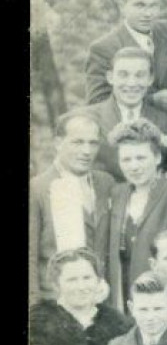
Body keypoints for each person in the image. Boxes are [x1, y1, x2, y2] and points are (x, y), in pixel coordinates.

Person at [103, 119, 167, 300]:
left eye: (141, 158)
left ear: (158, 157)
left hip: (163, 298)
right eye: (126, 159)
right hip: (125, 297)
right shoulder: (117, 194)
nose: (134, 166)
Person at [31, 114, 114, 304]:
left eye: (93, 143)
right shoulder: (38, 188)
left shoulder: (106, 183)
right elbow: (31, 256)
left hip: (101, 302)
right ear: (58, 143)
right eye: (78, 142)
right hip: (55, 304)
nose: (87, 151)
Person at [72, 46, 167, 180]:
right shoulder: (85, 119)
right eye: (123, 75)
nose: (131, 83)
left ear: (150, 79)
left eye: (140, 75)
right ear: (110, 77)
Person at [85, 0, 167, 110]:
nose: (148, 14)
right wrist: (151, 100)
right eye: (140, 5)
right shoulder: (103, 49)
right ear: (122, 5)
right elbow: (97, 102)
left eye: (153, 6)